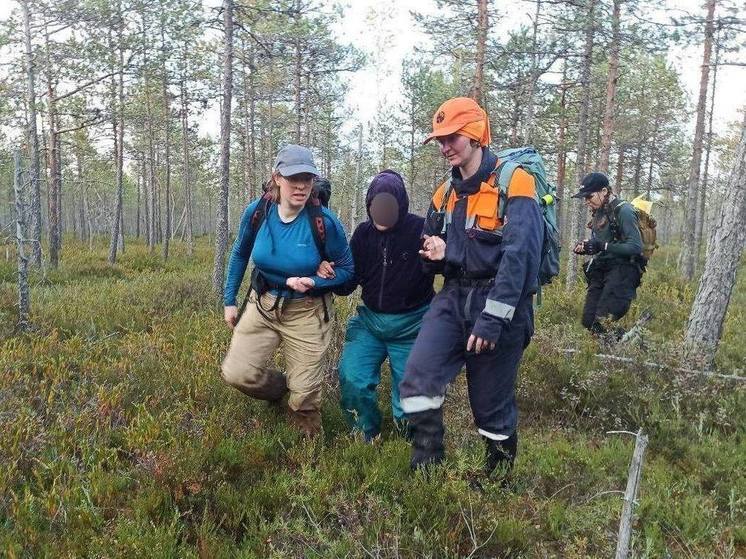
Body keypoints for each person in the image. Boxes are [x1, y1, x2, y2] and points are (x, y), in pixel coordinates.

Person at [398, 97, 543, 477]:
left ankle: (497, 483)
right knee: (417, 379)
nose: (445, 147)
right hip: (454, 297)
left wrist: (493, 319)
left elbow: (520, 257)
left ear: (476, 134)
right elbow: (434, 249)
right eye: (440, 140)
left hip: (500, 302)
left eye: (452, 138)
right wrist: (432, 254)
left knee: (490, 406)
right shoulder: (444, 192)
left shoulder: (516, 183)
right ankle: (427, 470)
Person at [221, 144, 354, 437]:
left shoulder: (324, 222)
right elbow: (240, 253)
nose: (301, 186)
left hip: (307, 311)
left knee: (305, 396)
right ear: (277, 177)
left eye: (307, 179)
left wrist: (315, 282)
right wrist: (229, 299)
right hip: (263, 304)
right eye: (294, 178)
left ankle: (307, 455)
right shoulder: (258, 212)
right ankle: (279, 390)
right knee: (237, 373)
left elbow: (347, 270)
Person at [319, 170, 435, 441]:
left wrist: (439, 258)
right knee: (352, 377)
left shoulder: (420, 231)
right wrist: (330, 274)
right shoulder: (363, 235)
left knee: (410, 401)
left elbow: (443, 266)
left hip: (413, 327)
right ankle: (364, 436)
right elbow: (349, 282)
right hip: (370, 323)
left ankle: (410, 442)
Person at [572, 172, 644, 336]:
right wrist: (586, 246)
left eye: (589, 196)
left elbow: (635, 246)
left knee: (602, 321)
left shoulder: (624, 210)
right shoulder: (600, 212)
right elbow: (601, 243)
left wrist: (602, 246)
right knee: (588, 321)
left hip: (623, 272)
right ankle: (621, 345)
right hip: (601, 270)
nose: (587, 201)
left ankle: (628, 348)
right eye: (585, 198)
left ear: (604, 191)